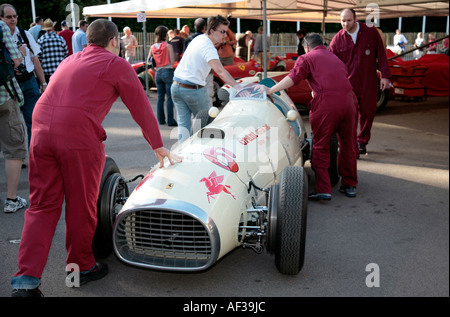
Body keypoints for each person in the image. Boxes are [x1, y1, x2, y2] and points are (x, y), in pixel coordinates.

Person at [10, 19, 181, 297]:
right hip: (77, 135)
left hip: (41, 130)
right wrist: (158, 146)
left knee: (41, 207)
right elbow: (140, 107)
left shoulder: (70, 60)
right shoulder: (116, 64)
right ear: (114, 41)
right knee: (81, 205)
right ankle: (80, 268)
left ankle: (25, 282)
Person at [258, 33, 358, 200]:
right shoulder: (335, 58)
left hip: (326, 104)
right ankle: (350, 185)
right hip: (349, 102)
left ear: (306, 47)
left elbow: (293, 78)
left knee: (320, 146)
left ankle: (323, 189)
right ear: (322, 45)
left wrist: (271, 90)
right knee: (348, 145)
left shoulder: (307, 58)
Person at [329, 8, 391, 157]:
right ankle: (351, 146)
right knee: (349, 116)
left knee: (368, 113)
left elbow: (381, 54)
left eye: (349, 20)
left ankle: (362, 141)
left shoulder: (370, 32)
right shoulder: (337, 39)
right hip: (347, 84)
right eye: (343, 21)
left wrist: (385, 76)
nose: (345, 24)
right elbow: (329, 62)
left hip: (368, 81)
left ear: (355, 19)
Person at [171, 15, 242, 143]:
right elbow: (220, 71)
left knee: (184, 127)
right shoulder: (208, 47)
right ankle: (201, 157)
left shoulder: (198, 39)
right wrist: (238, 87)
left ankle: (183, 157)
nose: (225, 35)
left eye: (226, 32)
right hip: (192, 89)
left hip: (176, 85)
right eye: (222, 31)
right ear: (211, 31)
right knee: (205, 125)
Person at [1, 4, 46, 148]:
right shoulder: (1, 38)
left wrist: (43, 83)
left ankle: (33, 153)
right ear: (1, 19)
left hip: (29, 81)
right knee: (12, 123)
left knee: (33, 120)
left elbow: (35, 59)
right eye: (8, 17)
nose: (13, 20)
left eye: (14, 16)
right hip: (9, 84)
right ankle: (14, 156)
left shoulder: (25, 34)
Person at [0, 19, 27, 213]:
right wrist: (21, 53)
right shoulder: (0, 26)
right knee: (14, 148)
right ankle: (11, 200)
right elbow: (17, 58)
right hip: (4, 95)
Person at [148, 25, 177, 126]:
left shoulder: (152, 47)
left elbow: (148, 62)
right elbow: (173, 61)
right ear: (165, 35)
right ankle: (170, 120)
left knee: (160, 97)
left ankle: (161, 120)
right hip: (167, 71)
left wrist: (154, 70)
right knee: (169, 97)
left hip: (158, 73)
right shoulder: (168, 46)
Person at [37, 18, 68, 83]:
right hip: (60, 71)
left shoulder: (41, 40)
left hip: (47, 73)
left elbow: (38, 57)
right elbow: (66, 54)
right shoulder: (60, 39)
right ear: (53, 27)